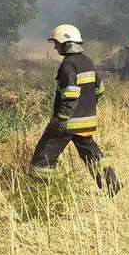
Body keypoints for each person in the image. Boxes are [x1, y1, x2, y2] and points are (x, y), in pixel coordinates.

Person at [30, 24, 121, 196]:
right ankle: (111, 184)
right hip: (86, 121)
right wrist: (86, 108)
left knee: (43, 156)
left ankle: (39, 194)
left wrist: (62, 118)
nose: (55, 47)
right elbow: (100, 89)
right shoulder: (87, 61)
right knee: (92, 156)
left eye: (57, 43)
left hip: (68, 122)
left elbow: (71, 93)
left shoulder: (68, 64)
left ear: (67, 43)